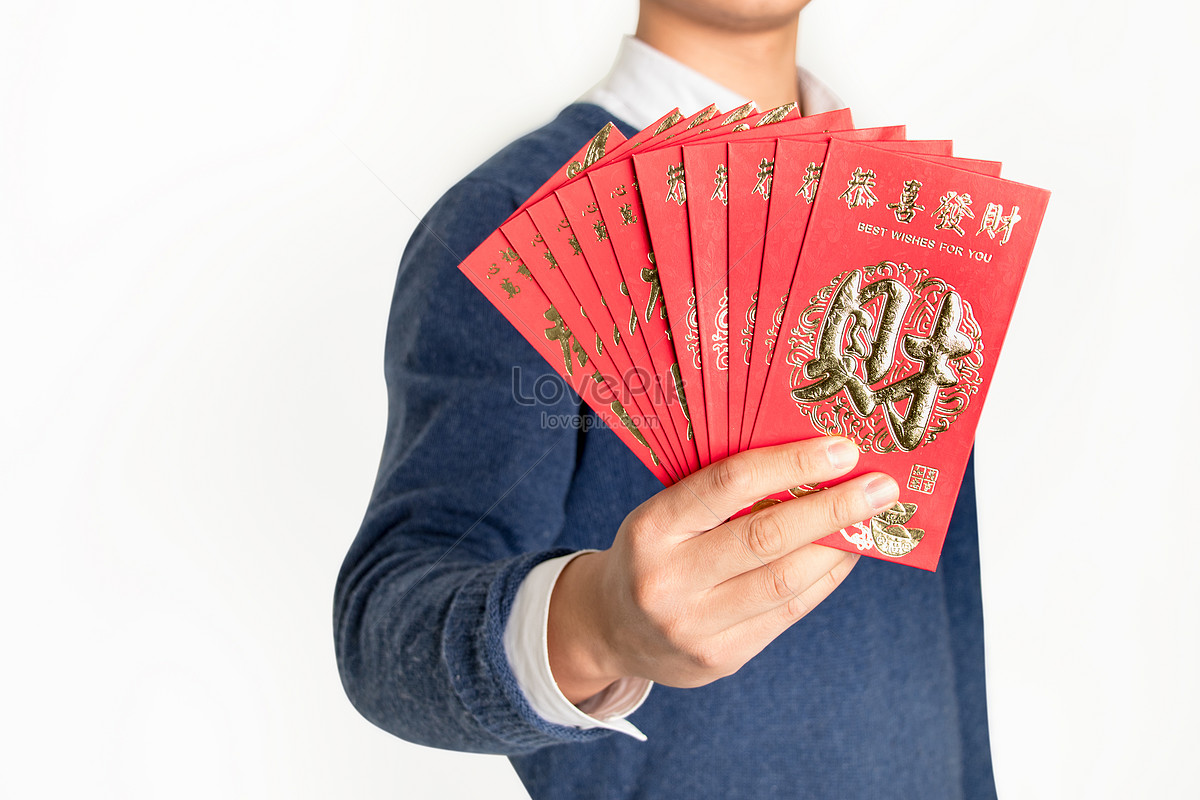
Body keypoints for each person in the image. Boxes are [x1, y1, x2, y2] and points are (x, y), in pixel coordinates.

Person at [334, 1, 997, 797]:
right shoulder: (514, 217)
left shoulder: (914, 220)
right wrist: (595, 626)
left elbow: (944, 630)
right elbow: (384, 629)